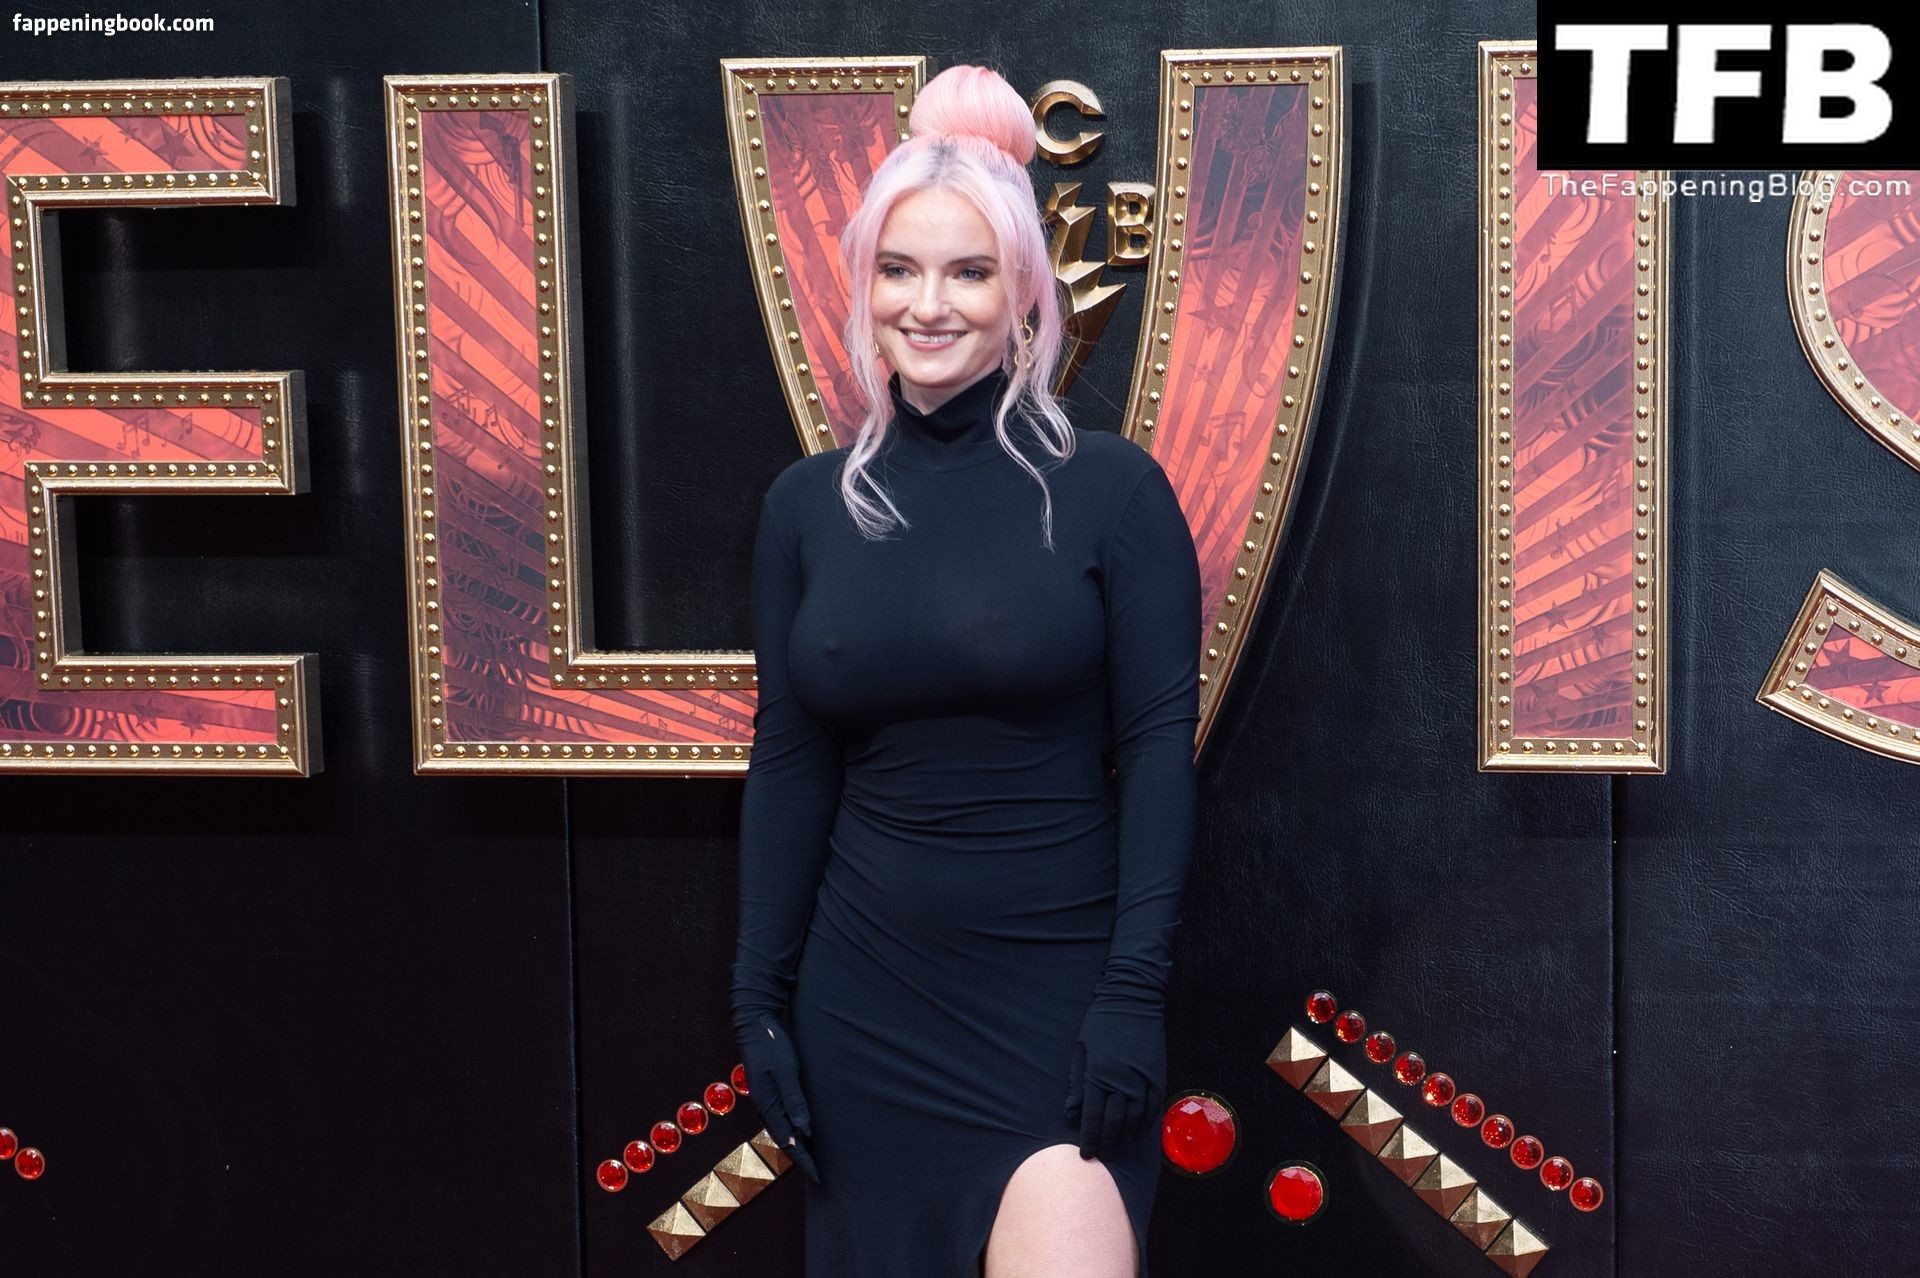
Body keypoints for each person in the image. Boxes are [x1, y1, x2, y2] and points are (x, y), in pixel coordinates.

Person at [731, 62, 1202, 1278]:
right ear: (863, 286)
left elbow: (1158, 754)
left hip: (1057, 1006)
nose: (928, 304)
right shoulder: (806, 508)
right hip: (861, 1012)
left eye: (968, 272)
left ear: (1025, 291)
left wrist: (1132, 995)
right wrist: (758, 1005)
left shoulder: (1112, 491)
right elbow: (788, 764)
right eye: (899, 270)